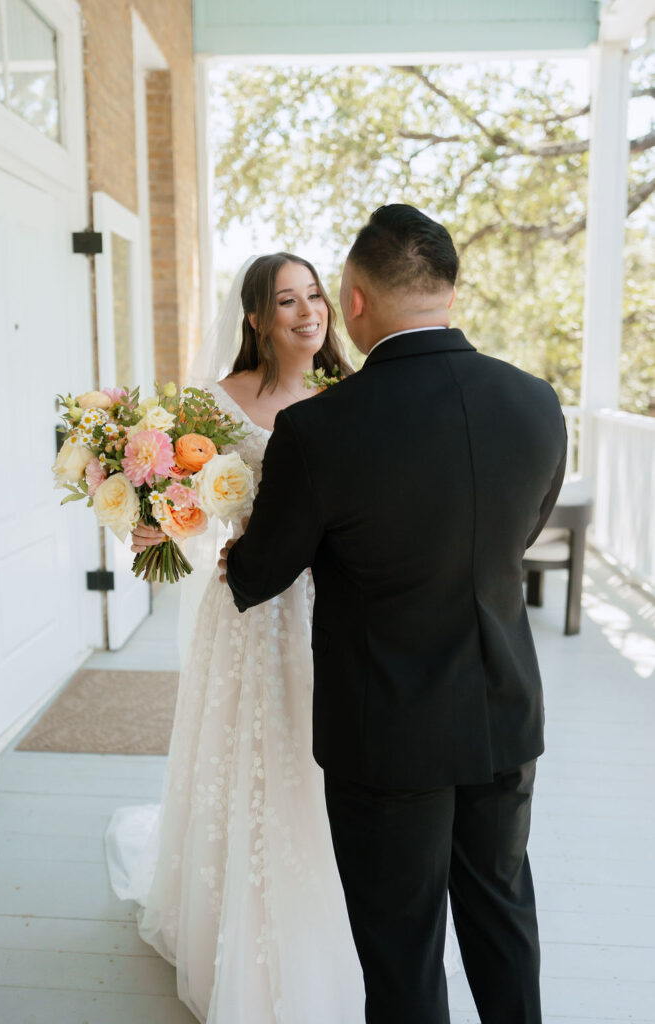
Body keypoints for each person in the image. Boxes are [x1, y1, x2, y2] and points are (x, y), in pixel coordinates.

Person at [223, 206, 568, 1024]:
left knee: (402, 950)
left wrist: (211, 529)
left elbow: (260, 574)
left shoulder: (317, 428)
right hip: (500, 713)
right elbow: (519, 535)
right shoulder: (535, 402)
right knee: (503, 919)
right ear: (449, 288)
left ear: (353, 301)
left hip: (386, 732)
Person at [105, 252, 461, 1023]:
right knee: (249, 760)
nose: (307, 313)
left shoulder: (350, 396)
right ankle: (242, 929)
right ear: (256, 319)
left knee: (316, 760)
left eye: (315, 297)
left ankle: (325, 922)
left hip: (329, 611)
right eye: (286, 302)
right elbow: (184, 503)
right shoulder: (210, 407)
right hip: (244, 612)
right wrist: (159, 521)